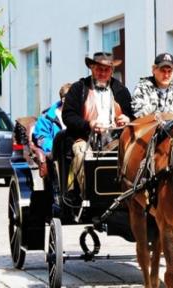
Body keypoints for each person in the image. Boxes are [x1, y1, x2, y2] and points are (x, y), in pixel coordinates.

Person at [62, 52, 133, 198]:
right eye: (99, 69)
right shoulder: (78, 88)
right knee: (83, 155)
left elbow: (134, 116)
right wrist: (89, 124)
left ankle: (128, 196)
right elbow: (68, 116)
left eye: (107, 69)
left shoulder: (121, 90)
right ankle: (87, 197)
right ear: (91, 68)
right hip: (84, 138)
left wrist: (127, 119)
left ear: (112, 71)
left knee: (134, 155)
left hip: (115, 140)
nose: (103, 73)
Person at [131, 52, 173, 118]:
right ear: (154, 69)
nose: (166, 75)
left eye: (169, 71)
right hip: (152, 128)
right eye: (163, 71)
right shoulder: (143, 87)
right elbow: (138, 114)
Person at [32, 83, 72, 153]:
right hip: (58, 155)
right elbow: (42, 139)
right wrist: (57, 148)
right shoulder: (46, 118)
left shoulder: (80, 115)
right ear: (64, 99)